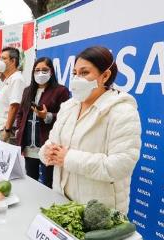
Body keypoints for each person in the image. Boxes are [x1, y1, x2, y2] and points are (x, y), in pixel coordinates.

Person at [40, 46, 141, 214]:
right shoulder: (68, 107)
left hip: (99, 215)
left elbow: (120, 166)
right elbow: (52, 143)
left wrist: (68, 157)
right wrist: (47, 152)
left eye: (84, 73)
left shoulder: (122, 111)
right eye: (75, 73)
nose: (77, 79)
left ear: (105, 76)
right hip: (62, 205)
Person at [15, 57, 70, 188]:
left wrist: (48, 116)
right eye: (37, 70)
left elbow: (66, 116)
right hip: (29, 145)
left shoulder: (61, 91)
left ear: (51, 72)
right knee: (31, 179)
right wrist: (18, 129)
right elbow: (21, 113)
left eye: (44, 70)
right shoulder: (28, 91)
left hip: (47, 145)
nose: (40, 73)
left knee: (48, 182)